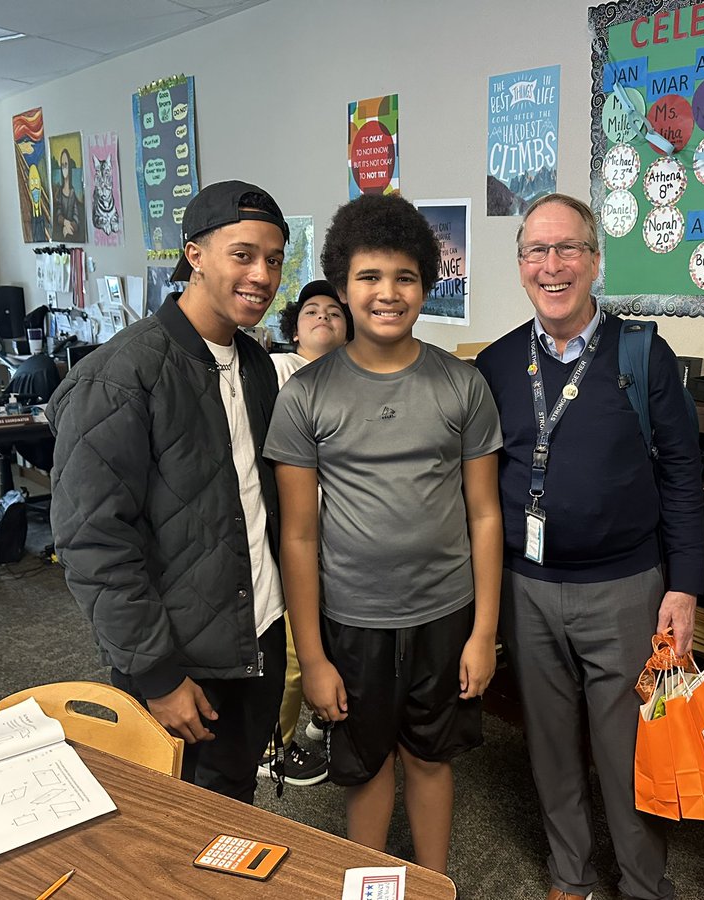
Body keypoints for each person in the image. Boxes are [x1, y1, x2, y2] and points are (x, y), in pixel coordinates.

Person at [474, 193, 704, 900]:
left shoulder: (643, 354)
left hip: (625, 589)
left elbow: (682, 474)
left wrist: (684, 585)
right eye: (536, 251)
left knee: (627, 749)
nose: (553, 265)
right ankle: (568, 875)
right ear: (520, 265)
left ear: (595, 260)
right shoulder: (496, 363)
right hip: (527, 587)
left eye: (568, 248)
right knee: (547, 742)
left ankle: (642, 883)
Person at [265, 194, 503, 874]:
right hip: (352, 620)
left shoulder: (461, 385)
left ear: (426, 286)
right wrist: (313, 657)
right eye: (369, 277)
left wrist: (484, 633)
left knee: (430, 759)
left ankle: (431, 882)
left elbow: (485, 514)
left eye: (405, 277)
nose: (388, 293)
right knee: (365, 766)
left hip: (445, 615)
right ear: (342, 287)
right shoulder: (306, 395)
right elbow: (298, 537)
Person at [47, 180, 291, 804]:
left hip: (257, 633)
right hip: (179, 658)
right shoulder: (119, 377)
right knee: (171, 817)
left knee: (234, 804)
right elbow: (93, 542)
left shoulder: (256, 366)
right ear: (195, 255)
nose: (261, 276)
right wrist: (156, 674)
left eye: (273, 259)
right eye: (242, 255)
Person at [256, 279, 353, 787]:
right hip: (291, 536)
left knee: (335, 635)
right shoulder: (277, 370)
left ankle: (320, 715)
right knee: (295, 648)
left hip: (341, 539)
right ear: (294, 329)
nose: (323, 318)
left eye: (334, 313)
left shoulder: (353, 377)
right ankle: (274, 746)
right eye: (312, 311)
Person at [52, 148, 86, 242]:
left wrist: (68, 227)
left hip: (71, 232)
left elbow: (76, 217)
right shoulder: (59, 192)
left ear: (69, 166)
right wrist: (65, 222)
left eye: (66, 165)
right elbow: (58, 214)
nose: (64, 169)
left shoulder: (72, 193)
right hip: (61, 235)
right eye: (62, 165)